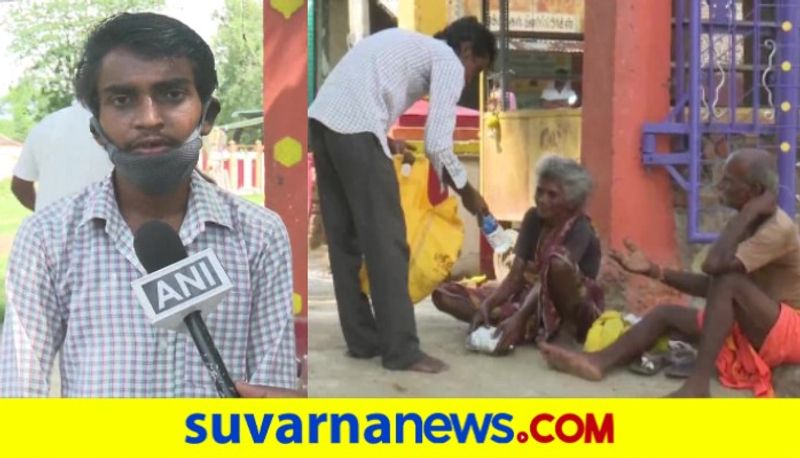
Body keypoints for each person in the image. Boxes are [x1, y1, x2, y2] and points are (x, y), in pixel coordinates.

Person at [0, 13, 299, 397]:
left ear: (207, 116)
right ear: (96, 129)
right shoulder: (46, 238)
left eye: (172, 94)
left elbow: (272, 390)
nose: (149, 119)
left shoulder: (260, 235)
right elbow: (19, 396)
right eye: (122, 100)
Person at [308, 16, 496, 373]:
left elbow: (362, 94)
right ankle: (401, 350)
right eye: (476, 68)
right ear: (467, 50)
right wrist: (469, 194)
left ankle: (363, 341)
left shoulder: (407, 45)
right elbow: (438, 145)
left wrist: (389, 141)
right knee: (387, 243)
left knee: (345, 243)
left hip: (323, 124)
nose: (469, 78)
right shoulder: (447, 60)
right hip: (355, 128)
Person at [540, 148, 800, 398]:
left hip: (790, 332)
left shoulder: (777, 229)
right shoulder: (746, 223)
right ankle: (598, 361)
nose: (720, 185)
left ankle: (697, 385)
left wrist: (749, 211)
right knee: (666, 314)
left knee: (730, 280)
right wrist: (655, 271)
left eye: (729, 181)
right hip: (757, 324)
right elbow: (714, 285)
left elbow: (716, 268)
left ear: (754, 192)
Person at [433, 155, 603, 351]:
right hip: (529, 299)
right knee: (444, 295)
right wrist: (487, 305)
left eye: (552, 195)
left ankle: (563, 331)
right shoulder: (533, 218)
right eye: (539, 192)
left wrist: (520, 317)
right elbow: (515, 276)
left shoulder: (580, 228)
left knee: (558, 264)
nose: (542, 199)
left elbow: (549, 277)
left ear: (571, 202)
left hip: (571, 308)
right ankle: (513, 322)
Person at [11, 100, 112, 211]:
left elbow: (19, 185)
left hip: (52, 226)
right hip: (105, 222)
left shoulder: (46, 125)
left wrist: (45, 216)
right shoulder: (118, 124)